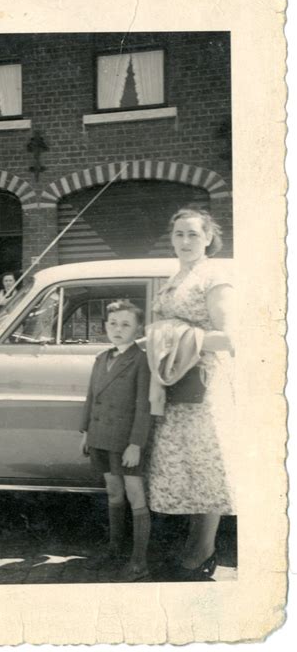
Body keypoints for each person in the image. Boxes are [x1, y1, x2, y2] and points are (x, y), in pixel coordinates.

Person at [146, 208, 235, 581]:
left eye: (193, 235)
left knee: (205, 464)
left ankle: (202, 550)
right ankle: (193, 545)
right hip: (174, 383)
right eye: (179, 234)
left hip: (202, 383)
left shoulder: (215, 276)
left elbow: (229, 336)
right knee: (185, 468)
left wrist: (170, 335)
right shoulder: (176, 276)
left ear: (209, 238)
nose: (185, 242)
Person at [80, 300, 153, 582]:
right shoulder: (101, 358)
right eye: (112, 324)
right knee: (114, 493)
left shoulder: (141, 360)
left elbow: (144, 405)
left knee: (135, 495)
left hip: (125, 443)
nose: (117, 329)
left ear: (138, 329)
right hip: (101, 437)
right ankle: (115, 549)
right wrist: (86, 433)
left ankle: (139, 562)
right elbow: (91, 398)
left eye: (125, 324)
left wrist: (136, 444)